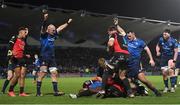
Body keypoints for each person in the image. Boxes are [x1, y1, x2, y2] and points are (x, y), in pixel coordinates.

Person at [114, 18, 161, 96]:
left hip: (136, 65)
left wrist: (151, 59)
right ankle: (136, 90)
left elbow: (147, 49)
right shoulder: (127, 39)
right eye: (127, 36)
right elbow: (122, 31)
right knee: (126, 81)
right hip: (127, 65)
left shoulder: (140, 42)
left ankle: (156, 91)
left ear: (133, 34)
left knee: (144, 81)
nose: (128, 37)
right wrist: (116, 25)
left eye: (129, 36)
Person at [36, 13, 72, 96]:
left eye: (54, 30)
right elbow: (43, 28)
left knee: (54, 73)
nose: (54, 31)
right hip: (44, 57)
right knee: (42, 73)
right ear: (48, 29)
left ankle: (56, 91)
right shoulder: (44, 35)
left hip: (52, 58)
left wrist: (68, 23)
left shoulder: (54, 34)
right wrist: (45, 19)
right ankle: (38, 93)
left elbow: (60, 28)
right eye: (52, 30)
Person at [7, 27, 30, 97]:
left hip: (22, 59)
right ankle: (10, 91)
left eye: (25, 33)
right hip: (15, 58)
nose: (25, 34)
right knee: (17, 75)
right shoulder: (14, 37)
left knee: (22, 75)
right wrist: (10, 56)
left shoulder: (23, 40)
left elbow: (22, 49)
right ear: (20, 33)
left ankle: (21, 92)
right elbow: (10, 46)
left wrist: (26, 55)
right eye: (24, 33)